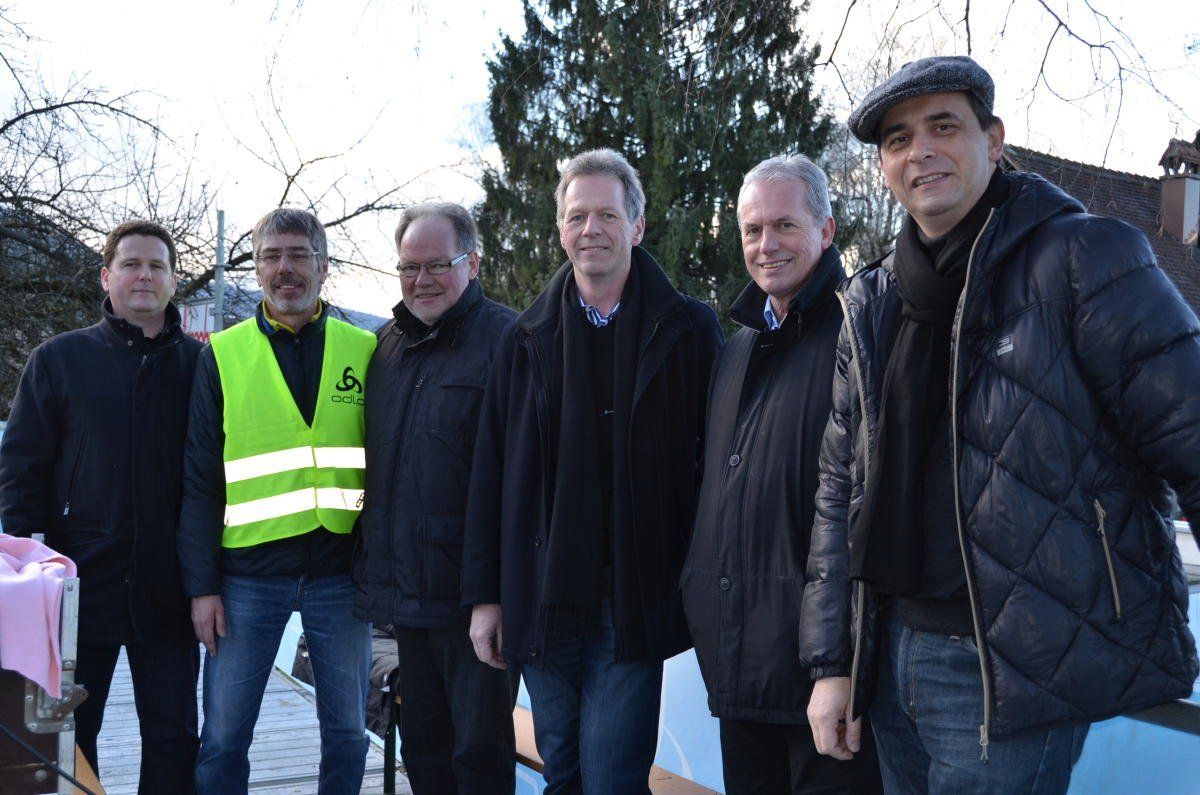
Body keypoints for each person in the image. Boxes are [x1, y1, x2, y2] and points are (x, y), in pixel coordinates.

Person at [800, 55, 1200, 795]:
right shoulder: (872, 298)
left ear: (993, 140)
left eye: (943, 127)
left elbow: (1191, 430)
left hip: (1010, 666)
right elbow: (838, 493)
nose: (920, 151)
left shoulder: (1084, 258)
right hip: (888, 656)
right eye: (897, 139)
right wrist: (833, 664)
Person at [462, 148, 723, 794]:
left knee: (611, 778)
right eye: (577, 216)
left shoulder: (688, 330)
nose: (591, 229)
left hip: (631, 597)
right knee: (564, 774)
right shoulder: (523, 339)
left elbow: (715, 468)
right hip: (541, 596)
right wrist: (486, 597)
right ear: (561, 230)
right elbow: (491, 473)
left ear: (637, 225)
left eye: (607, 214)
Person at [680, 155, 882, 794]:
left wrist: (840, 665)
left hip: (822, 680)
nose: (766, 244)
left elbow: (864, 512)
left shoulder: (861, 333)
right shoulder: (737, 346)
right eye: (752, 229)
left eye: (785, 225)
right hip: (740, 669)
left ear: (826, 231)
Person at [179, 208, 376, 795]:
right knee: (223, 737)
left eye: (297, 255)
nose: (284, 268)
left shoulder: (365, 350)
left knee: (349, 734)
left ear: (323, 265)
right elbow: (200, 479)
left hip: (341, 576)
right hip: (247, 578)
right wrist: (202, 587)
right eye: (271, 256)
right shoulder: (221, 354)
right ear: (259, 268)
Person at [0, 220, 201, 792]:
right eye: (131, 264)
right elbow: (21, 467)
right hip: (79, 583)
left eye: (157, 266)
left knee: (174, 735)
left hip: (170, 585)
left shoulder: (201, 367)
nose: (144, 275)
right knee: (70, 733)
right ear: (106, 277)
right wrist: (35, 567)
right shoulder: (59, 359)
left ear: (173, 281)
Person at [354, 202, 517, 793]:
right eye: (409, 267)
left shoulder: (510, 341)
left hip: (473, 604)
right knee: (424, 754)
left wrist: (494, 596)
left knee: (479, 759)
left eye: (437, 265)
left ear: (473, 263)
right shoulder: (384, 348)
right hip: (403, 602)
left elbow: (521, 485)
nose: (421, 280)